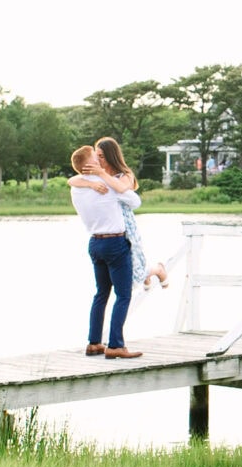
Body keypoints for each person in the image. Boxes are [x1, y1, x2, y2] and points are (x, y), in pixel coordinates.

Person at [68, 144, 142, 359]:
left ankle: (94, 343)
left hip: (95, 243)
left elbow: (73, 179)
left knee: (101, 294)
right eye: (95, 157)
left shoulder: (77, 188)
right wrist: (108, 179)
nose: (100, 161)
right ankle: (116, 345)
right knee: (123, 295)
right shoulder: (106, 185)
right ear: (89, 164)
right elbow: (135, 201)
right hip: (115, 243)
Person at [88, 135, 168, 292]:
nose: (99, 161)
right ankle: (146, 274)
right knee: (125, 272)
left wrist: (101, 176)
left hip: (126, 227)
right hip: (109, 227)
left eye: (102, 156)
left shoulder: (125, 175)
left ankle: (157, 270)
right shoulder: (99, 177)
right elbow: (72, 181)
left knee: (133, 268)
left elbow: (121, 188)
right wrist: (90, 182)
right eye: (97, 156)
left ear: (111, 157)